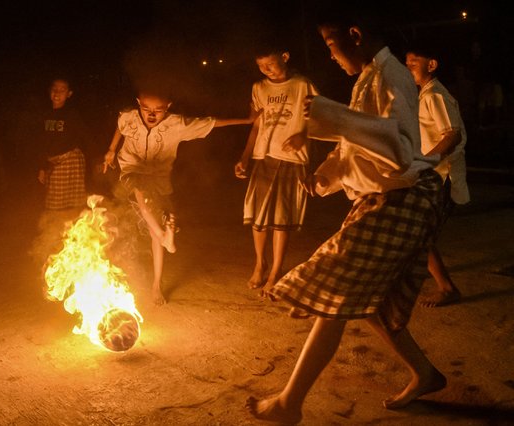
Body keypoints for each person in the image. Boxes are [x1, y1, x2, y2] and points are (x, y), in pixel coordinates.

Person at [246, 6, 447, 424]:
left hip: (401, 200)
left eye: (331, 45)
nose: (331, 56)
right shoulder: (370, 78)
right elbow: (360, 143)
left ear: (355, 34)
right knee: (371, 302)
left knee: (335, 293)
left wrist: (330, 118)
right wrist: (326, 176)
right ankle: (425, 373)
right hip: (384, 199)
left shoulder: (391, 77)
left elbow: (399, 151)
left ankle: (289, 403)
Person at [103, 91, 252, 306]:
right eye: (146, 109)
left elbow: (211, 123)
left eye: (158, 110)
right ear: (138, 104)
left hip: (160, 178)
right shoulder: (129, 116)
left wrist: (246, 120)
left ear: (168, 106)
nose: (152, 114)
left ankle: (157, 281)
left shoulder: (178, 124)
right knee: (142, 195)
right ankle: (165, 237)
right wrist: (110, 150)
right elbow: (120, 126)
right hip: (132, 170)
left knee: (155, 228)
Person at [234, 42, 319, 300]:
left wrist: (303, 136)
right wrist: (245, 157)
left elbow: (320, 118)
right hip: (263, 156)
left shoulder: (303, 85)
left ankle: (276, 272)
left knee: (281, 217)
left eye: (270, 63)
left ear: (285, 56)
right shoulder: (259, 88)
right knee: (258, 215)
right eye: (260, 65)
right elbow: (256, 125)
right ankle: (260, 263)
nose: (265, 69)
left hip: (291, 158)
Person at [406, 44, 470, 307]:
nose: (408, 68)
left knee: (420, 234)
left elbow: (452, 135)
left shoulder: (434, 96)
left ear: (431, 65)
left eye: (413, 63)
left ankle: (447, 288)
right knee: (419, 232)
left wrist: (425, 162)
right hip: (434, 174)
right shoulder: (426, 94)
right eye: (406, 63)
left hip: (442, 177)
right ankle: (439, 282)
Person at [37, 78, 87, 211]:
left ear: (69, 94)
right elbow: (42, 142)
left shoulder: (72, 114)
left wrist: (98, 158)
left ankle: (74, 227)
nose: (57, 92)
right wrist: (42, 167)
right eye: (54, 89)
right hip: (52, 162)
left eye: (62, 90)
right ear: (49, 91)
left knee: (73, 203)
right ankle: (55, 228)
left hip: (70, 161)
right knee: (53, 201)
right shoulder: (44, 114)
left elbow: (85, 136)